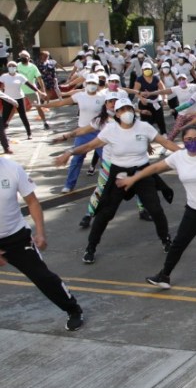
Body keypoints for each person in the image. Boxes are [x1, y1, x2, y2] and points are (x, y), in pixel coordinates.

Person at [116, 125, 196, 289]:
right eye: (188, 139)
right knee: (179, 243)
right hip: (194, 209)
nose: (192, 142)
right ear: (183, 141)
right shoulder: (178, 157)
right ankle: (164, 275)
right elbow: (156, 167)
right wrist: (134, 179)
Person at [55, 97, 179, 264]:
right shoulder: (110, 130)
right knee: (105, 212)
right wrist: (69, 152)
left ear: (133, 111)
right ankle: (91, 247)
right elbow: (89, 146)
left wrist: (186, 154)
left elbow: (165, 142)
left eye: (128, 108)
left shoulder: (144, 127)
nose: (126, 112)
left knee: (155, 209)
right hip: (118, 174)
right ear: (117, 114)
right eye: (121, 110)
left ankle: (166, 240)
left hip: (142, 172)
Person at [0, 153, 83, 330]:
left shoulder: (12, 169)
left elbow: (32, 202)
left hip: (16, 237)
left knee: (43, 277)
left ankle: (73, 309)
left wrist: (40, 233)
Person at [39, 74, 105, 193]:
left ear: (97, 85)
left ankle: (112, 183)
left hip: (98, 132)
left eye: (94, 83)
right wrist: (42, 105)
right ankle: (69, 185)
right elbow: (61, 103)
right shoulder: (80, 96)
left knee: (106, 159)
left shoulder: (103, 97)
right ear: (85, 84)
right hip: (81, 133)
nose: (91, 86)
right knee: (76, 159)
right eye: (89, 83)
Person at [1, 60, 42, 139]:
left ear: (16, 68)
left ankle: (29, 133)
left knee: (23, 115)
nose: (11, 68)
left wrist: (39, 92)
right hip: (8, 99)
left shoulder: (20, 76)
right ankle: (2, 134)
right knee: (5, 116)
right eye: (10, 66)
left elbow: (30, 85)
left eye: (13, 66)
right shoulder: (4, 76)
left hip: (19, 98)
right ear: (7, 67)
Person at [16, 51, 50, 130]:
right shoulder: (17, 66)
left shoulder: (33, 67)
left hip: (32, 91)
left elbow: (40, 79)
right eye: (22, 56)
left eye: (25, 56)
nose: (24, 58)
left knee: (38, 107)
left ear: (29, 57)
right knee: (22, 110)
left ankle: (44, 122)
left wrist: (43, 90)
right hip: (20, 92)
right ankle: (26, 126)